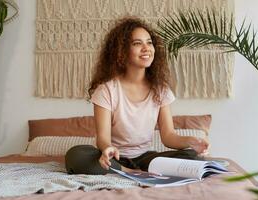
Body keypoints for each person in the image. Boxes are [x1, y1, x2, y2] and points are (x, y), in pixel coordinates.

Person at [65, 17, 209, 175]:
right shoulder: (106, 90)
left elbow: (168, 136)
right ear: (122, 51)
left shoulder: (160, 90)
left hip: (145, 158)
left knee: (193, 157)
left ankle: (128, 170)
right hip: (115, 157)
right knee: (76, 155)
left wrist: (191, 141)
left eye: (149, 42)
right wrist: (107, 149)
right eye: (137, 43)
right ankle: (126, 170)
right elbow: (102, 138)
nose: (146, 48)